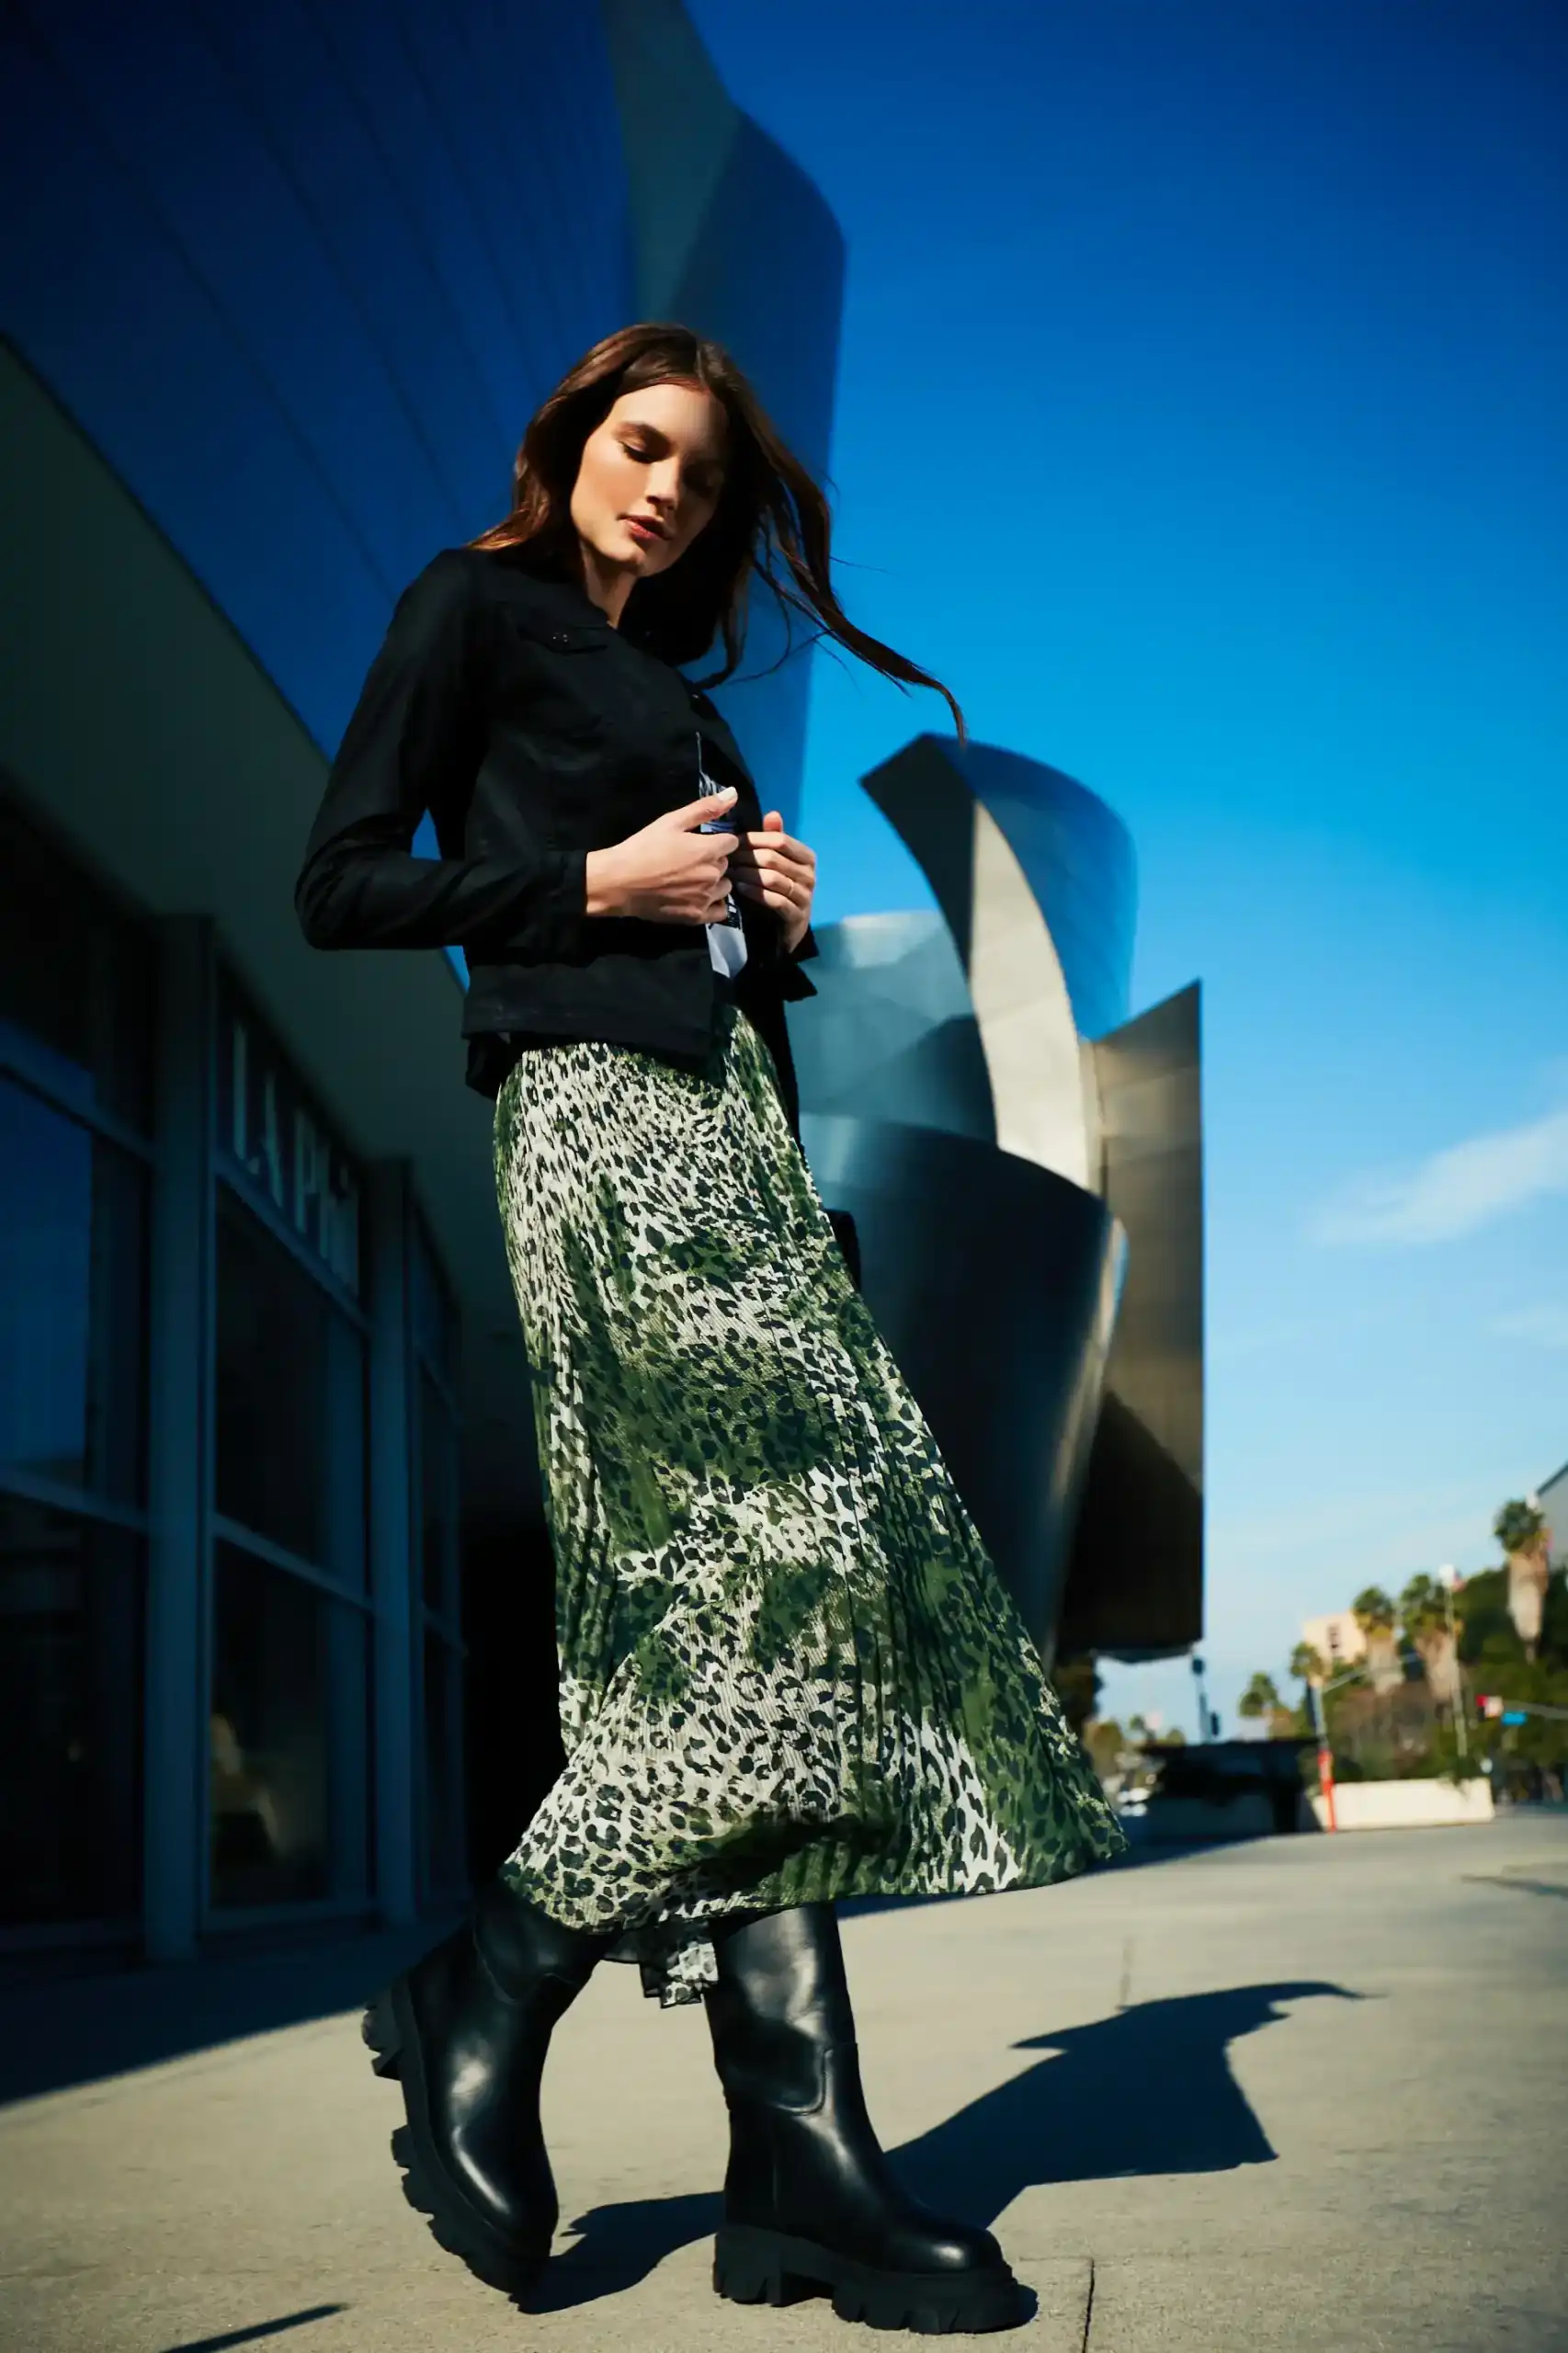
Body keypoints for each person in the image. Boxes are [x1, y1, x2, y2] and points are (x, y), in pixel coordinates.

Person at [295, 322, 1126, 2336]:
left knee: (760, 1602)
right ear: (575, 440)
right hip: (591, 1131)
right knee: (787, 1585)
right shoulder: (469, 608)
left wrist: (752, 911)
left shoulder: (688, 701)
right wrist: (595, 874)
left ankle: (789, 2139)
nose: (666, 488)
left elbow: (729, 987)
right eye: (640, 444)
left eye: (703, 477)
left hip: (734, 1146)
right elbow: (338, 883)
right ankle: (493, 1982)